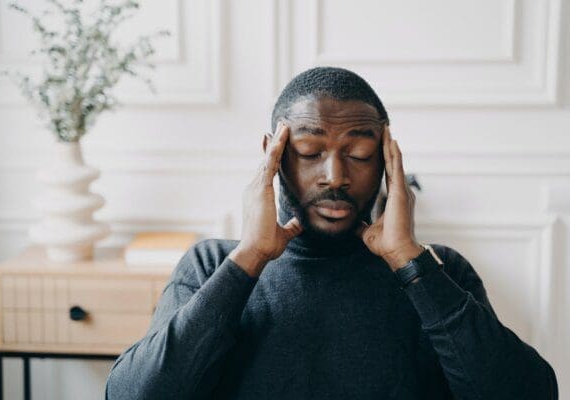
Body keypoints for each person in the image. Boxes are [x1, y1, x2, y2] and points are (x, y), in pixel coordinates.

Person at [105, 67, 558, 399]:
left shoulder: (440, 270)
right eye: (308, 151)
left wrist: (410, 262)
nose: (334, 175)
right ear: (273, 155)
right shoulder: (211, 267)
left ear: (387, 158)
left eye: (359, 153)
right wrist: (249, 259)